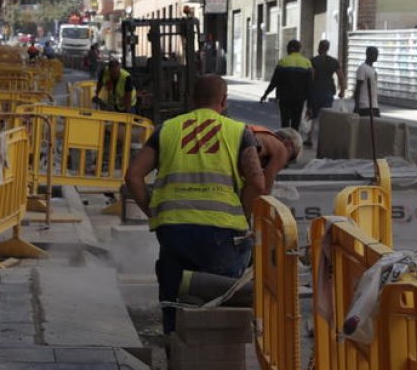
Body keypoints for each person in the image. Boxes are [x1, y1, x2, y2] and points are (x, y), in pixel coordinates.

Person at [125, 75, 265, 333]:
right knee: (220, 294)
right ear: (224, 100)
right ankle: (217, 344)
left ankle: (174, 340)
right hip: (221, 232)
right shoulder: (238, 132)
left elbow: (133, 175)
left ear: (192, 99)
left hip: (174, 230)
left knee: (173, 289)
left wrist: (153, 212)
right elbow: (257, 183)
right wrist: (242, 216)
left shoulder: (167, 129)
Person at [260, 40, 314, 130]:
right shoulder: (307, 63)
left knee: (285, 123)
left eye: (287, 48)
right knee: (295, 123)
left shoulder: (283, 62)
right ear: (299, 49)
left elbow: (274, 81)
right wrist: (309, 106)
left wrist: (265, 94)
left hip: (285, 98)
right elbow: (309, 86)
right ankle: (293, 138)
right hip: (299, 99)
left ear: (291, 48)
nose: (286, 50)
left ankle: (284, 138)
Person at [307, 40, 345, 148]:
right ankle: (324, 139)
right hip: (328, 92)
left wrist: (307, 91)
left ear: (319, 47)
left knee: (312, 116)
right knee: (325, 116)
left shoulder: (313, 60)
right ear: (327, 48)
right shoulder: (334, 61)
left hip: (315, 91)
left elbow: (311, 78)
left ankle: (309, 138)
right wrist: (342, 90)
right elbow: (341, 77)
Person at [249, 125, 302, 195]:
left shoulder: (261, 135)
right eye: (292, 158)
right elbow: (265, 189)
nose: (285, 163)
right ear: (288, 144)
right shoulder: (281, 149)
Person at [354, 46, 380, 117]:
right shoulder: (362, 68)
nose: (377, 56)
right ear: (368, 54)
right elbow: (358, 88)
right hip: (365, 106)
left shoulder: (372, 69)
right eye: (375, 54)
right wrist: (357, 105)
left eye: (377, 54)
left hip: (374, 105)